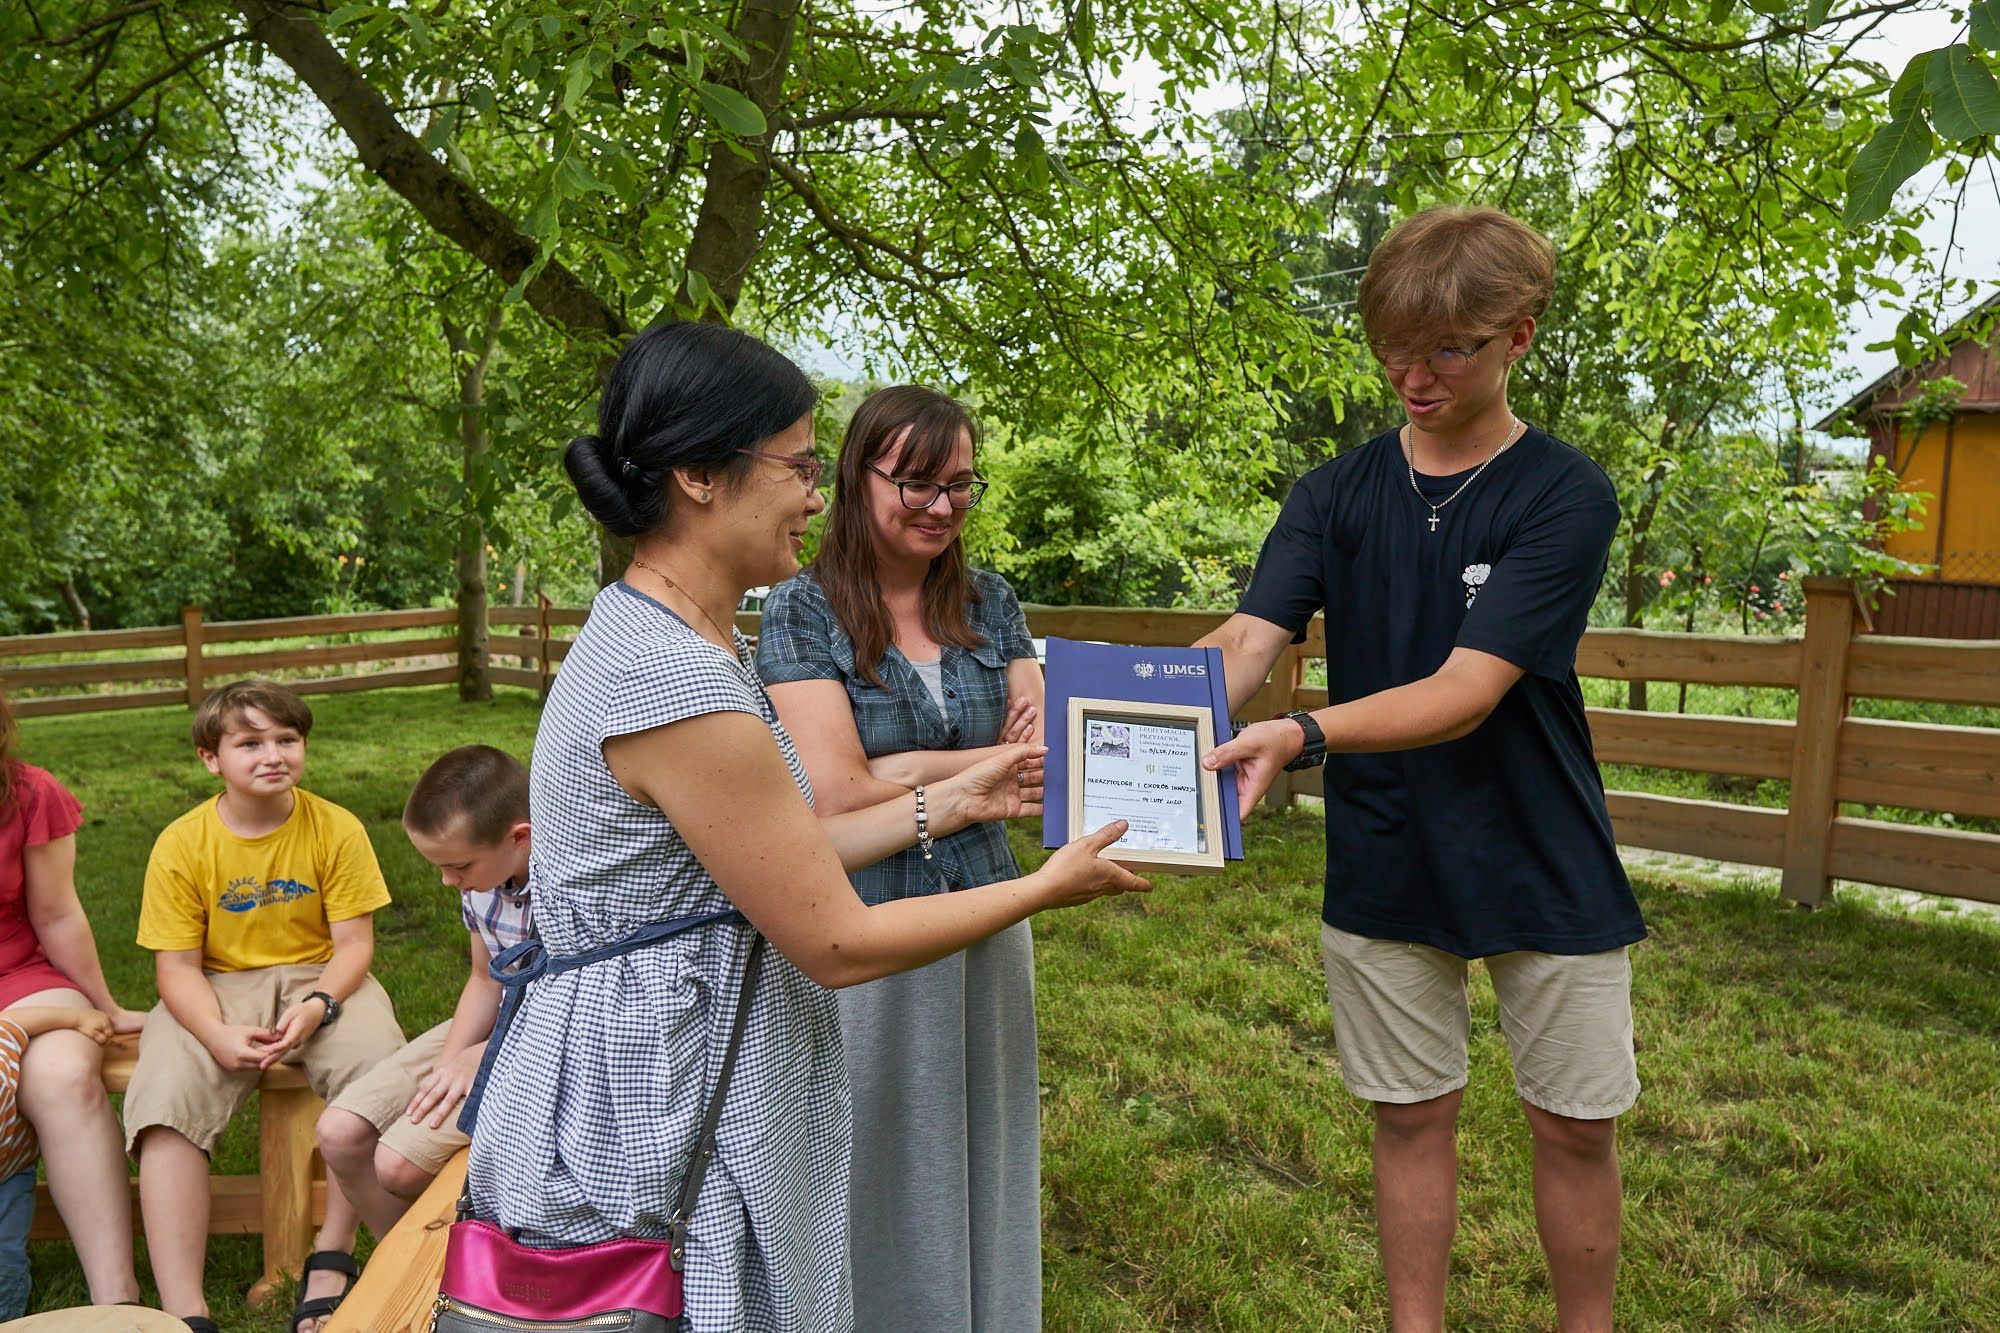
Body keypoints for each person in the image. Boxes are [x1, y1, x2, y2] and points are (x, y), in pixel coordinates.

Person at [464, 320, 1146, 1333]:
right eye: (794, 464)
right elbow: (833, 937)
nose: (812, 494)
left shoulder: (672, 632)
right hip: (667, 1081)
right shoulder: (675, 680)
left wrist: (951, 801)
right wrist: (1047, 884)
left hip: (688, 1046)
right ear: (700, 474)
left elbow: (770, 853)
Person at [1199, 205, 1645, 1333]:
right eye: (1395, 345)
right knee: (1407, 1115)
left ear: (1519, 340)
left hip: (1540, 849)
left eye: (1447, 347)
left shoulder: (1562, 493)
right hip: (1386, 847)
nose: (1413, 373)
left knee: (1574, 1123)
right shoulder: (1332, 491)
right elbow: (1246, 645)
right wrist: (1095, 709)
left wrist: (1301, 734)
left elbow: (1464, 690)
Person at [757, 386, 1046, 1333]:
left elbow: (1037, 752)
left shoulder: (990, 600)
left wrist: (909, 765)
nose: (939, 506)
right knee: (877, 1145)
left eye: (959, 485)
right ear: (857, 474)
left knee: (985, 1135)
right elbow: (835, 794)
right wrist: (973, 769)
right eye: (915, 482)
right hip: (864, 917)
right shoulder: (801, 611)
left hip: (989, 907)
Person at [122, 679, 405, 1333]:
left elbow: (355, 944)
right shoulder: (181, 842)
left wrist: (319, 1003)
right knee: (166, 1098)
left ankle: (332, 1255)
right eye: (249, 742)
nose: (273, 754)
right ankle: (183, 1308)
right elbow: (176, 967)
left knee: (377, 1070)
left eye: (287, 739)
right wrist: (217, 1034)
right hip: (215, 980)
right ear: (210, 758)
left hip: (322, 972)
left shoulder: (337, 826)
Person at [317, 745, 533, 1235]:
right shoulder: (482, 880)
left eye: (458, 867)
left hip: (546, 1039)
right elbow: (483, 978)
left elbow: (570, 1004)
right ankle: (403, 1277)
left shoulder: (566, 888)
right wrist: (449, 1060)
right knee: (339, 1133)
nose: (446, 880)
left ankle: (446, 1279)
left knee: (397, 1165)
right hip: (496, 1028)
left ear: (519, 838)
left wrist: (480, 1056)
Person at [0, 684, 145, 1308]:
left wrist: (103, 1006)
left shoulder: (27, 792)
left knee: (64, 1076)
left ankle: (117, 1300)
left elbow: (56, 916)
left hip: (20, 977)